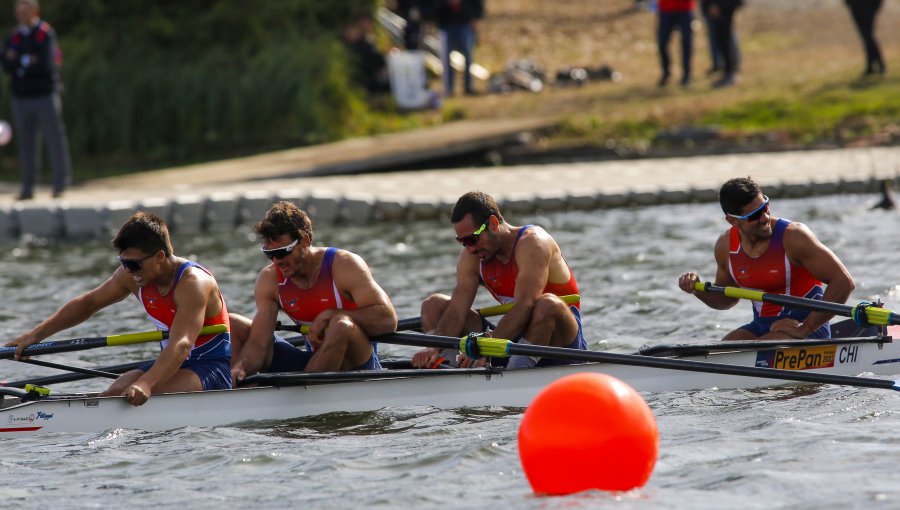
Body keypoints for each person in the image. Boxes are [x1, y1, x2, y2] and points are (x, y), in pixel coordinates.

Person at [5, 212, 233, 405]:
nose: (128, 270)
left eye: (134, 264)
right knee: (112, 396)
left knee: (144, 396)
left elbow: (182, 345)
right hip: (171, 362)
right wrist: (35, 335)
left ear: (160, 257)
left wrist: (145, 383)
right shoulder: (132, 276)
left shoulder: (193, 283)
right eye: (123, 263)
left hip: (210, 367)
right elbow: (89, 303)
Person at [410, 191, 585, 369]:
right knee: (434, 305)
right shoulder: (473, 256)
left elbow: (525, 304)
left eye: (472, 239)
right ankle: (447, 367)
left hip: (561, 343)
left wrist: (487, 346)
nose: (469, 249)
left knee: (546, 304)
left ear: (493, 223)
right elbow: (457, 310)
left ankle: (516, 372)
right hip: (514, 339)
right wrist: (434, 346)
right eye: (463, 242)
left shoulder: (533, 243)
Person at [230, 201, 397, 384]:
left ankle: (304, 391)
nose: (277, 261)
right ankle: (238, 387)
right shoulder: (270, 280)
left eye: (283, 252)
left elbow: (388, 320)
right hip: (313, 361)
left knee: (341, 325)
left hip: (356, 364)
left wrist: (331, 315)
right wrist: (242, 366)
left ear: (305, 241)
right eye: (270, 255)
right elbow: (258, 344)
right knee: (233, 323)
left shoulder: (344, 266)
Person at [678, 177, 855, 340]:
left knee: (753, 351)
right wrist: (697, 290)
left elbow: (844, 281)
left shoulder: (794, 237)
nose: (765, 217)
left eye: (765, 207)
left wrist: (806, 327)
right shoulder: (725, 247)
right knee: (720, 349)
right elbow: (727, 300)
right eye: (754, 216)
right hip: (762, 326)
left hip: (808, 327)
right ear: (732, 220)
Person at [1, 0, 72, 200]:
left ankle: (60, 183)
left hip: (45, 94)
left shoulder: (45, 33)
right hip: (21, 96)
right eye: (19, 12)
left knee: (54, 138)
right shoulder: (14, 35)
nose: (22, 15)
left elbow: (46, 64)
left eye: (25, 11)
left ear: (35, 11)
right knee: (26, 143)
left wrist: (19, 60)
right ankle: (28, 188)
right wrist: (26, 59)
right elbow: (6, 64)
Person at [433, 0, 483, 96]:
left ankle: (468, 87)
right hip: (445, 23)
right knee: (446, 58)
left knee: (468, 56)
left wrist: (476, 16)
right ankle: (448, 89)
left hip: (465, 21)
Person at [656, 0, 696, 87]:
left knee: (686, 42)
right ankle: (666, 73)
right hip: (666, 8)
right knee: (662, 42)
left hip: (684, 9)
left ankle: (687, 73)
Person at [706, 0, 742, 88]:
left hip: (724, 7)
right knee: (722, 41)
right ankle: (728, 72)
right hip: (720, 7)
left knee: (726, 40)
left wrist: (716, 5)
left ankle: (730, 74)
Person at [845, 0, 885, 76]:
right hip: (856, 6)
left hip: (869, 6)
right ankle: (871, 65)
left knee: (867, 34)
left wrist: (876, 5)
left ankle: (879, 63)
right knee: (865, 36)